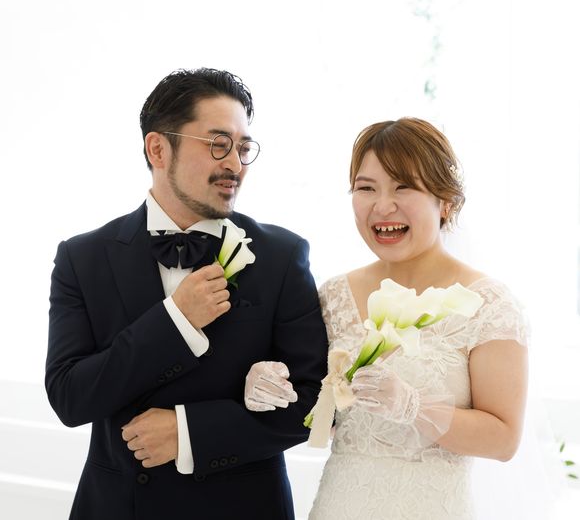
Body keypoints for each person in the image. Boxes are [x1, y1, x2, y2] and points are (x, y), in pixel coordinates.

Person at [45, 68, 328, 520]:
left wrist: (189, 433)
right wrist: (176, 321)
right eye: (218, 144)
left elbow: (316, 401)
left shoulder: (281, 255)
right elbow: (69, 397)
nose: (235, 164)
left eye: (243, 148)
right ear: (158, 148)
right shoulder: (83, 257)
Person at [244, 117, 529, 519]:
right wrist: (267, 387)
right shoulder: (333, 296)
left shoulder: (487, 303)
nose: (382, 206)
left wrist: (414, 407)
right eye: (366, 188)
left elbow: (503, 440)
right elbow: (317, 415)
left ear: (446, 200)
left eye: (403, 186)